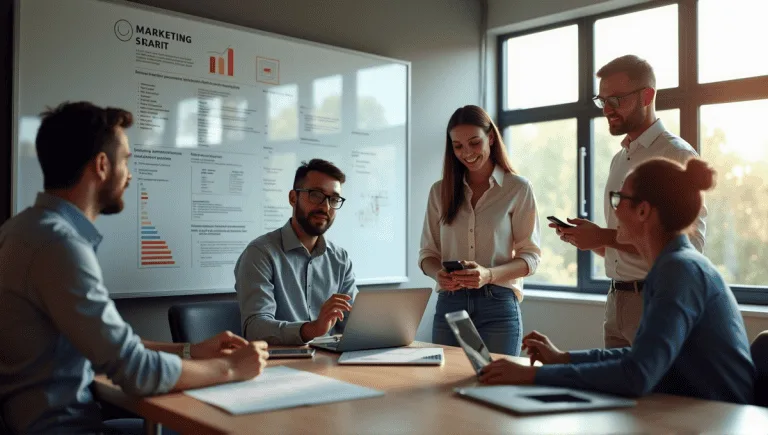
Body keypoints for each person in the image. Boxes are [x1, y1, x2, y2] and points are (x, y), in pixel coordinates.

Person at [0, 102, 269, 434]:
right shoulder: (59, 246)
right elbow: (135, 370)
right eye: (125, 160)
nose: (130, 174)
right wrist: (229, 368)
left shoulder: (23, 230)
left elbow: (115, 345)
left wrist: (190, 350)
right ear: (101, 165)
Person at [479, 158, 755, 405]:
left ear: (644, 211)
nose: (614, 211)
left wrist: (534, 375)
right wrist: (564, 358)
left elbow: (636, 375)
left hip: (719, 418)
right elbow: (640, 356)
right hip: (696, 410)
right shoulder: (674, 265)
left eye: (619, 199)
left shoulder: (678, 271)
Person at [551, 55, 707, 348]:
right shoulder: (619, 159)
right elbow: (626, 245)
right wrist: (593, 239)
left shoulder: (676, 156)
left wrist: (605, 236)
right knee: (617, 393)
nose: (607, 110)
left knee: (656, 395)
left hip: (657, 300)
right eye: (603, 100)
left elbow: (690, 247)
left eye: (616, 100)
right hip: (616, 301)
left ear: (647, 96)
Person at [419, 105, 541, 356]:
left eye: (475, 142)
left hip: (498, 305)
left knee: (495, 384)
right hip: (450, 303)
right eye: (458, 146)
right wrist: (438, 274)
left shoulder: (517, 189)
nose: (467, 153)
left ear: (491, 138)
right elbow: (428, 254)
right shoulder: (439, 192)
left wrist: (488, 274)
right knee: (446, 387)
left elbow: (530, 257)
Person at [235, 159, 358, 345]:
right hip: (280, 366)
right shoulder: (260, 253)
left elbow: (355, 324)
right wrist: (312, 329)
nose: (325, 207)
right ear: (293, 198)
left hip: (329, 362)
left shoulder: (340, 259)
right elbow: (255, 328)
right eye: (316, 195)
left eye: (333, 199)